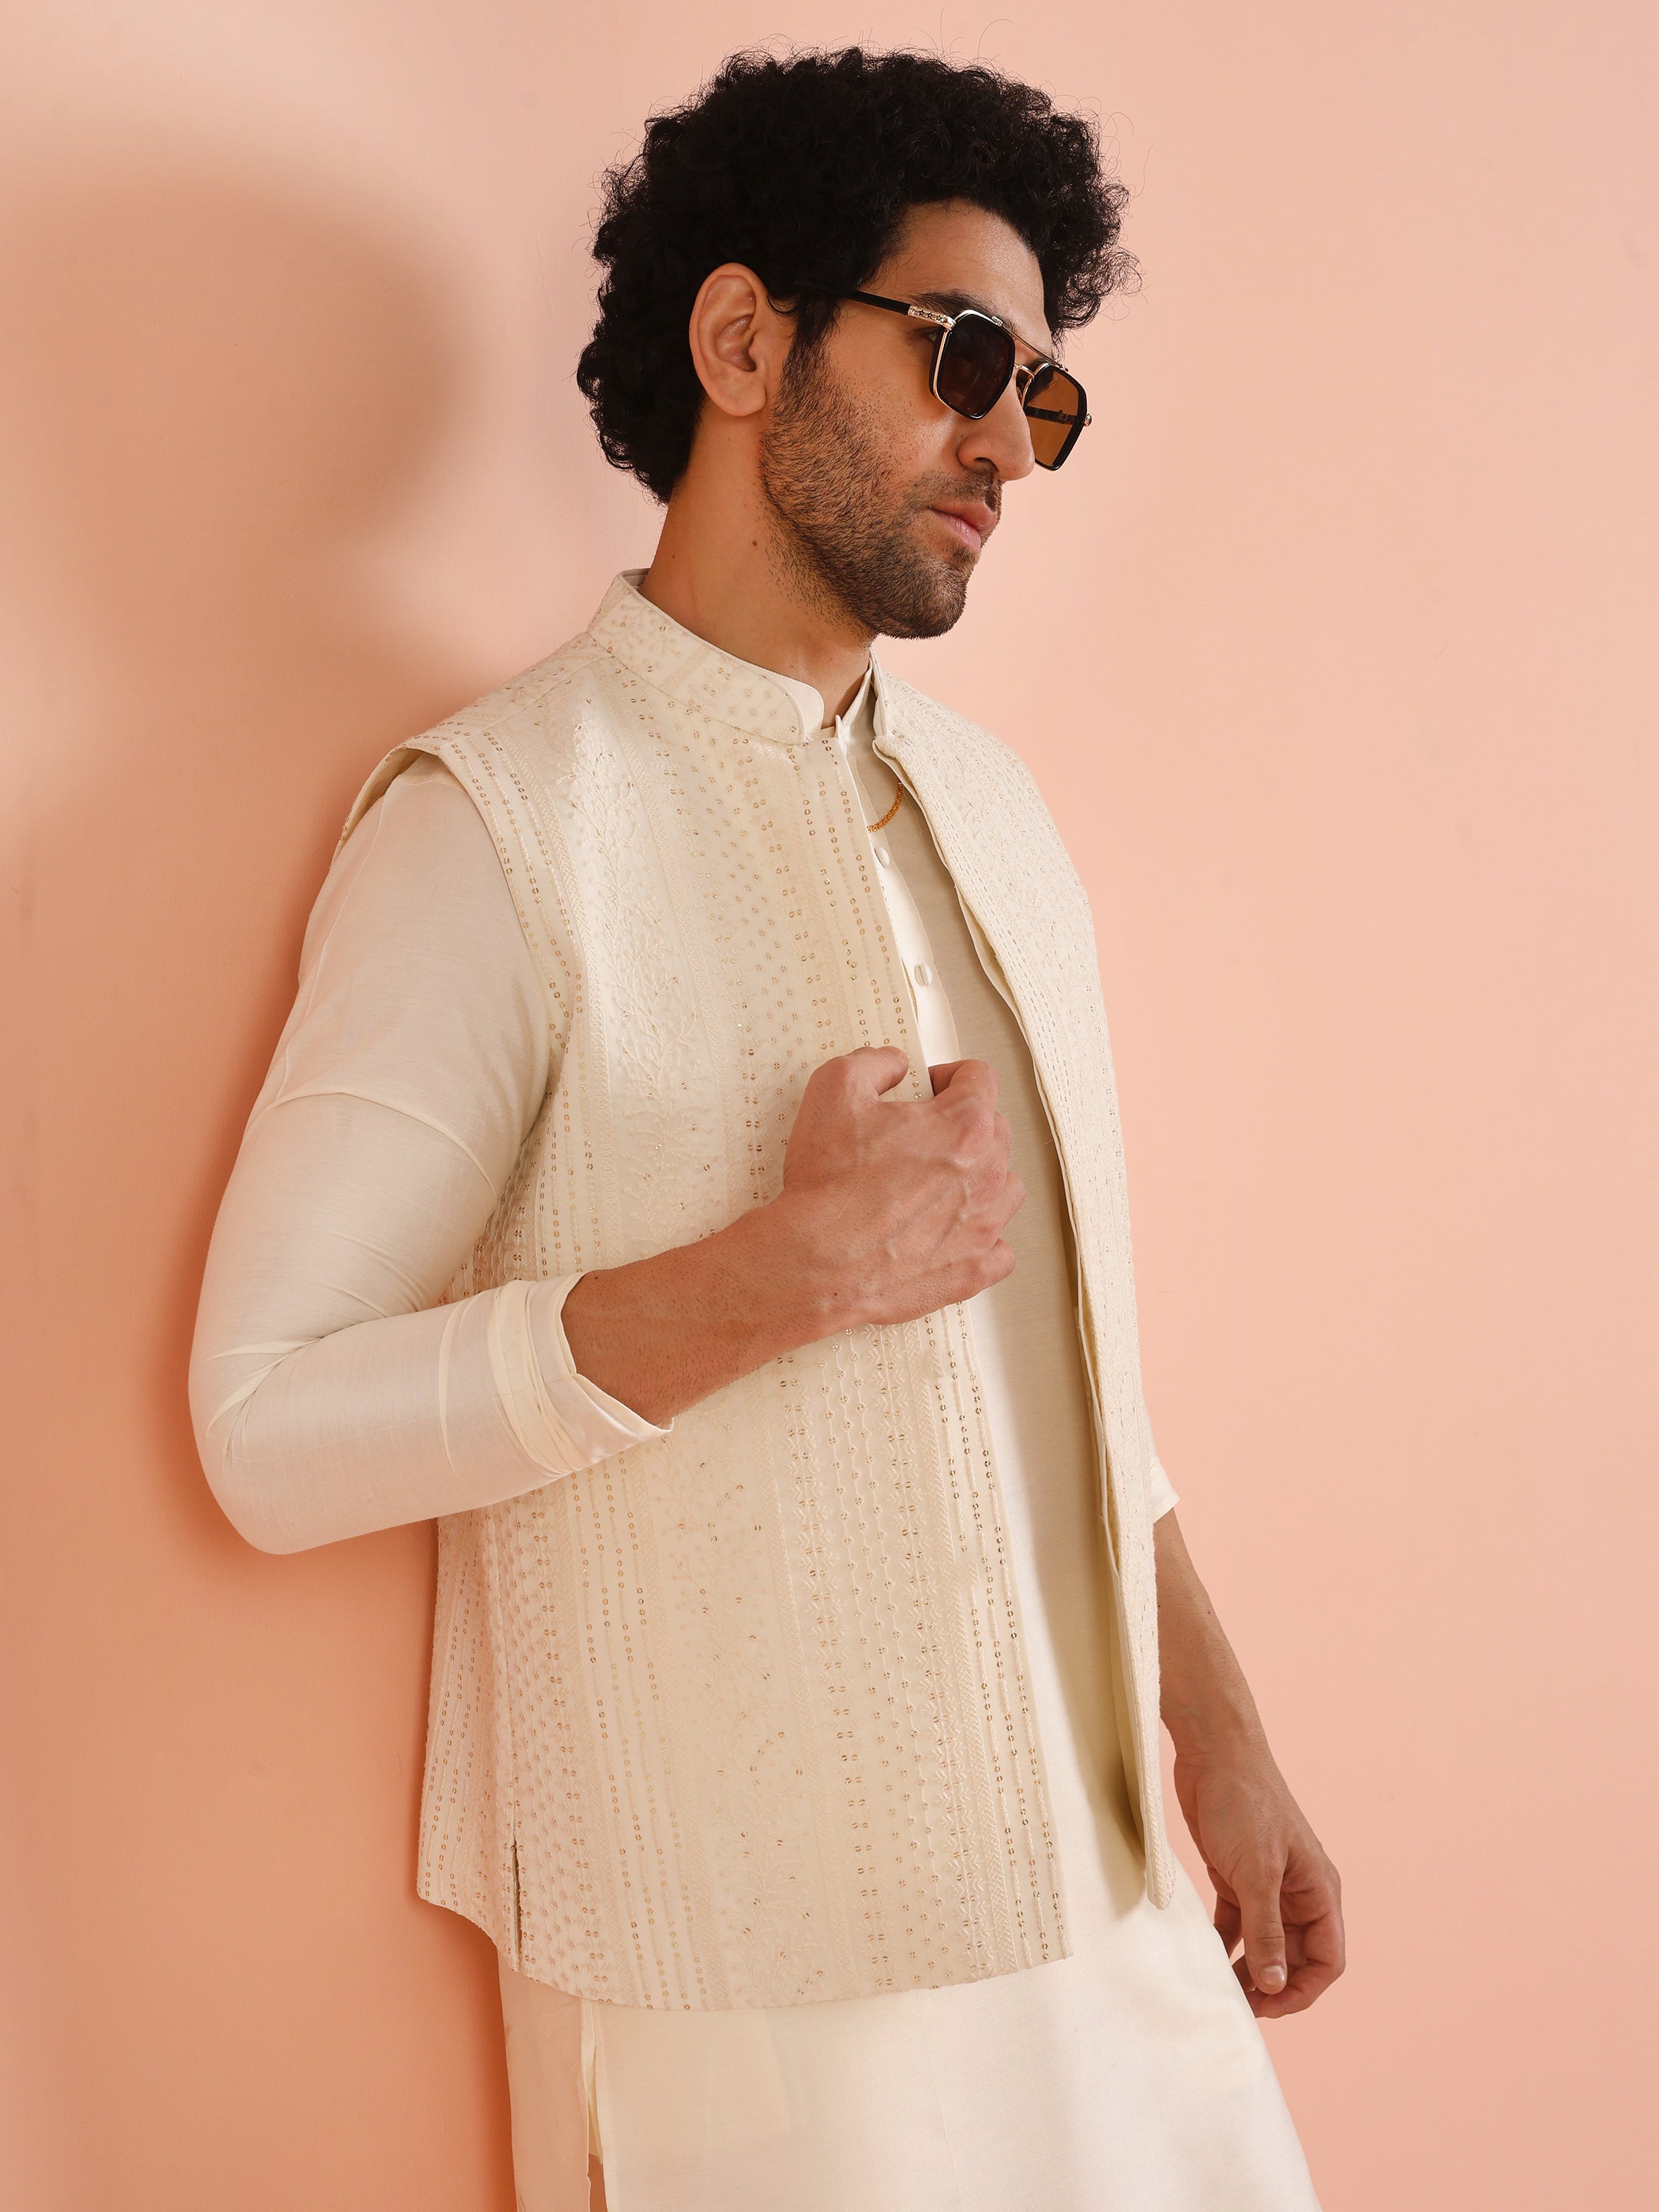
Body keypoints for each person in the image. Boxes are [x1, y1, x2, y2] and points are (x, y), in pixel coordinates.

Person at [190, 45, 1343, 2212]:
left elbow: (1078, 1376)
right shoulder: (497, 825)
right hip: (747, 1977)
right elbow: (260, 1426)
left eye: (1046, 396)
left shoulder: (995, 813)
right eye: (965, 356)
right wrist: (758, 1287)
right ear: (742, 342)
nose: (1010, 440)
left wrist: (1223, 1728)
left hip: (1110, 1909)